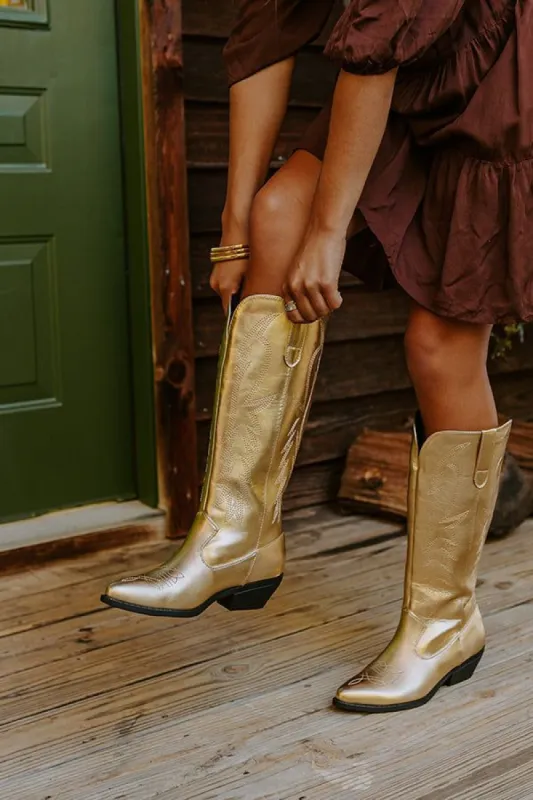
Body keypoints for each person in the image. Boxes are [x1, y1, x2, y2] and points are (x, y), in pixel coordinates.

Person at [102, 0, 532, 713]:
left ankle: (442, 622)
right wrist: (237, 227)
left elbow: (375, 50)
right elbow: (266, 32)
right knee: (278, 215)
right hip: (400, 81)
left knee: (436, 346)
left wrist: (330, 233)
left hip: (498, 91)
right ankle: (236, 535)